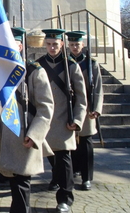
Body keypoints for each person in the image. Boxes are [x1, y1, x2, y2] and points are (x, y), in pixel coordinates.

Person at [0, 27, 54, 213]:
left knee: (21, 184)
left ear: (20, 45)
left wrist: (35, 134)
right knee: (11, 180)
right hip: (3, 135)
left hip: (24, 134)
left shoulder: (34, 71)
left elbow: (45, 107)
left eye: (12, 44)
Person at [37, 28, 87, 213]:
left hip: (63, 119)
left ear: (62, 45)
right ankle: (56, 178)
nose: (52, 48)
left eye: (55, 44)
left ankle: (65, 197)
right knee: (52, 157)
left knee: (64, 159)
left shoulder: (71, 65)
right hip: (44, 119)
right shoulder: (39, 65)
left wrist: (77, 119)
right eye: (49, 44)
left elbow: (81, 97)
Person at [66, 30, 103, 191]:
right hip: (69, 106)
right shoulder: (65, 63)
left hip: (86, 106)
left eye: (77, 44)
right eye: (72, 44)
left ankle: (87, 178)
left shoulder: (91, 63)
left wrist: (96, 108)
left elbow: (98, 89)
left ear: (83, 45)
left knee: (86, 141)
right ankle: (73, 171)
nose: (75, 47)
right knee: (71, 141)